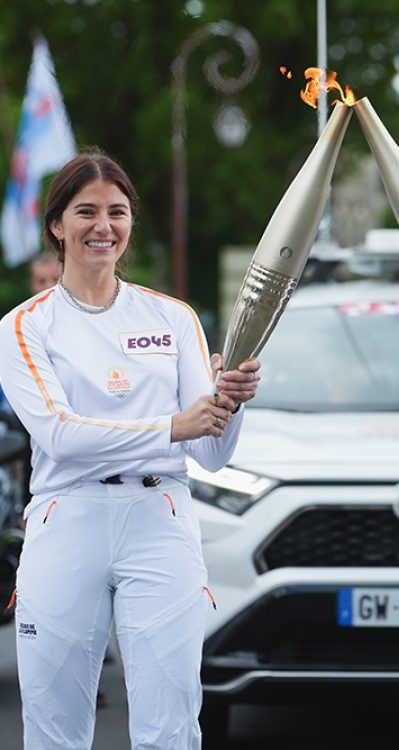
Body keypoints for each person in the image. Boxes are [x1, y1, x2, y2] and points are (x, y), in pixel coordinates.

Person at [0, 148, 260, 750]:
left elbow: (214, 452)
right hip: (68, 518)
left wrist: (232, 403)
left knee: (171, 724)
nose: (102, 226)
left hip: (160, 518)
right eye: (85, 211)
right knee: (54, 723)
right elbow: (61, 435)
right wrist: (173, 425)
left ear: (130, 223)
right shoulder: (25, 326)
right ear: (57, 225)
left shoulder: (172, 318)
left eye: (116, 212)